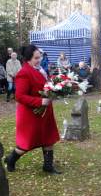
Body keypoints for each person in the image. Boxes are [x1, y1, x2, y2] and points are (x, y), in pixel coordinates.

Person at [4, 44, 61, 174]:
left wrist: (56, 87)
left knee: (48, 137)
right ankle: (11, 159)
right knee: (26, 144)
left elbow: (44, 85)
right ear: (28, 59)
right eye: (36, 58)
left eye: (39, 57)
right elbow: (19, 96)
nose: (39, 59)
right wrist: (40, 101)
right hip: (31, 114)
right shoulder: (24, 73)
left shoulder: (39, 69)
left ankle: (48, 166)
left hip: (44, 112)